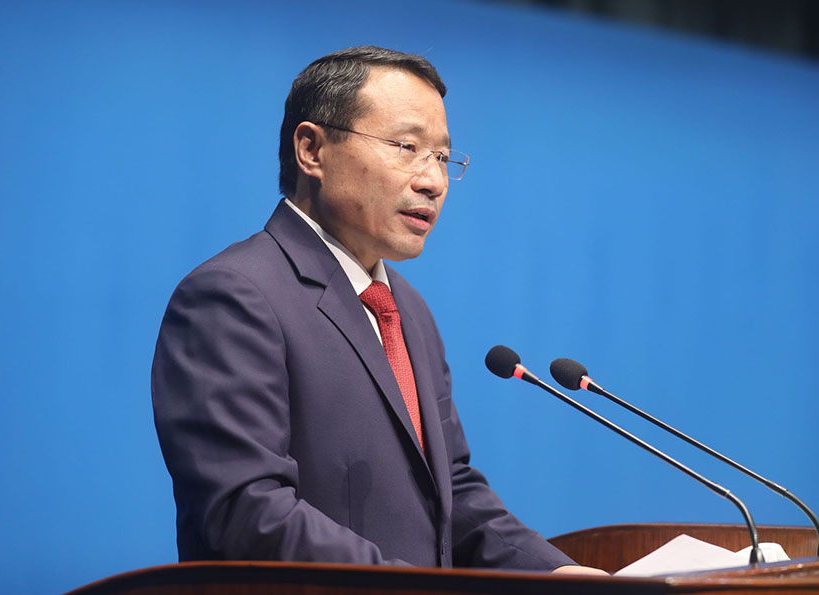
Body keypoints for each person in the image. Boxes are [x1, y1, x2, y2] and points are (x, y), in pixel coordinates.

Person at [152, 45, 605, 575]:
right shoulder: (234, 296)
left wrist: (560, 576)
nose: (433, 181)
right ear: (312, 150)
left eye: (442, 157)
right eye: (406, 147)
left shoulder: (407, 310)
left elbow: (453, 492)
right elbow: (248, 511)